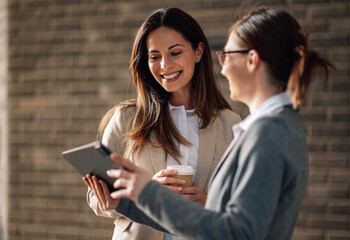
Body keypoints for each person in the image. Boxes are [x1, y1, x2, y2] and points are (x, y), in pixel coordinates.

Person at [105, 7, 336, 240]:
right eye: (155, 56)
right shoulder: (274, 127)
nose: (222, 68)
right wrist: (129, 199)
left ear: (252, 60)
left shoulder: (269, 133)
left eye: (226, 55)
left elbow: (237, 232)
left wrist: (149, 193)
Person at [83, 7, 241, 240]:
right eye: (155, 57)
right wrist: (142, 193)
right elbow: (95, 197)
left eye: (175, 53)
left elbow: (242, 202)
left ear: (198, 52)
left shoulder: (230, 124)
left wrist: (207, 203)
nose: (165, 65)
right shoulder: (126, 118)